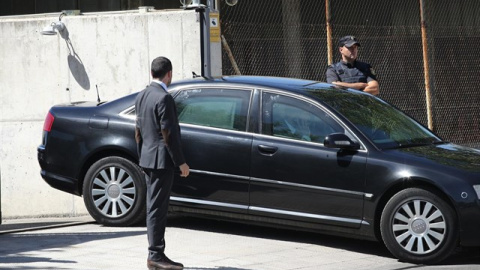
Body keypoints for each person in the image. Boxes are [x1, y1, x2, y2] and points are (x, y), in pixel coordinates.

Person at [135, 56, 190, 270]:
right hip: (161, 161)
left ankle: (156, 253)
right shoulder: (164, 98)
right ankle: (155, 255)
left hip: (148, 159)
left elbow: (138, 132)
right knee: (158, 209)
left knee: (153, 207)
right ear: (169, 74)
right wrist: (181, 162)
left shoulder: (142, 95)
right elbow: (168, 134)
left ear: (152, 73)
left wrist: (142, 156)